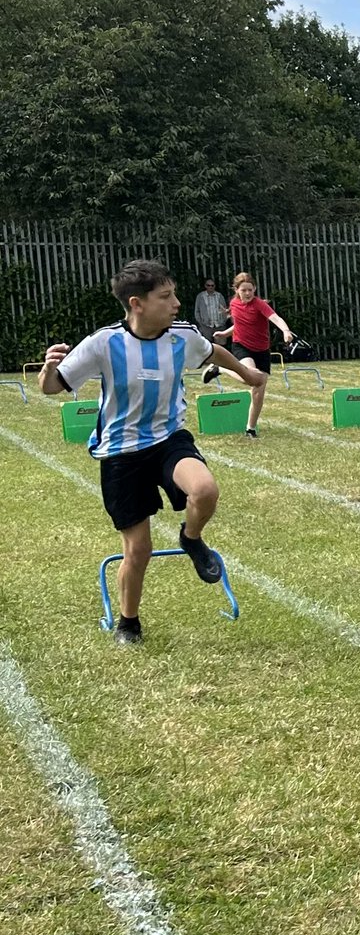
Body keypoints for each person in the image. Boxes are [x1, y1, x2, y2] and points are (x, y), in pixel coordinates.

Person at [38, 259, 266, 645]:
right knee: (138, 549)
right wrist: (47, 369)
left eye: (174, 294)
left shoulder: (182, 336)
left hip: (167, 439)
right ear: (137, 303)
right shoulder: (103, 343)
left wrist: (249, 375)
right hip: (121, 453)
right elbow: (52, 387)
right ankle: (129, 623)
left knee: (205, 490)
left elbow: (213, 353)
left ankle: (191, 538)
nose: (176, 303)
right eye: (166, 296)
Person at [206, 272, 293, 439]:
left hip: (262, 350)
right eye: (244, 290)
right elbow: (239, 325)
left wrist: (285, 330)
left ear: (254, 289)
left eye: (250, 290)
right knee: (252, 377)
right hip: (242, 346)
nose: (247, 293)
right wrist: (225, 334)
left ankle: (250, 429)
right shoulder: (234, 304)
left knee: (258, 389)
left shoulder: (259, 304)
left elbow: (275, 317)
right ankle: (222, 368)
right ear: (237, 290)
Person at [192, 277, 229, 342]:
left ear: (215, 286)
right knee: (207, 347)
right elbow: (197, 311)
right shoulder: (200, 296)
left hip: (219, 325)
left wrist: (223, 321)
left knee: (221, 347)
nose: (210, 287)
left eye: (212, 285)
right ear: (205, 286)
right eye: (208, 285)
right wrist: (201, 323)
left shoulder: (219, 296)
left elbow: (225, 309)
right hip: (206, 326)